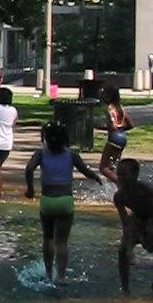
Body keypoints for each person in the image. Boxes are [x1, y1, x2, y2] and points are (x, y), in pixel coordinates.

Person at [24, 121, 104, 284]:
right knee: (62, 242)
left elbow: (29, 169)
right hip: (65, 201)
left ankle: (48, 273)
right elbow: (85, 170)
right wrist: (96, 178)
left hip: (47, 201)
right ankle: (60, 276)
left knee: (47, 239)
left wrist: (30, 189)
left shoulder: (40, 154)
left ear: (45, 139)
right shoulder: (71, 154)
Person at [113, 160, 153, 298]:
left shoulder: (145, 188)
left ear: (135, 175)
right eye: (119, 174)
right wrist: (128, 245)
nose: (121, 178)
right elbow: (125, 222)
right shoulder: (119, 196)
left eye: (125, 174)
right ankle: (125, 289)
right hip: (136, 220)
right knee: (122, 251)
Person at [99, 86, 133, 184]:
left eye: (104, 94)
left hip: (114, 138)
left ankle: (121, 184)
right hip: (123, 138)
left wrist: (102, 127)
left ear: (108, 96)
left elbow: (112, 126)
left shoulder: (109, 108)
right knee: (112, 167)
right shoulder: (120, 108)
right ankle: (119, 188)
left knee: (103, 168)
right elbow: (131, 124)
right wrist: (121, 129)